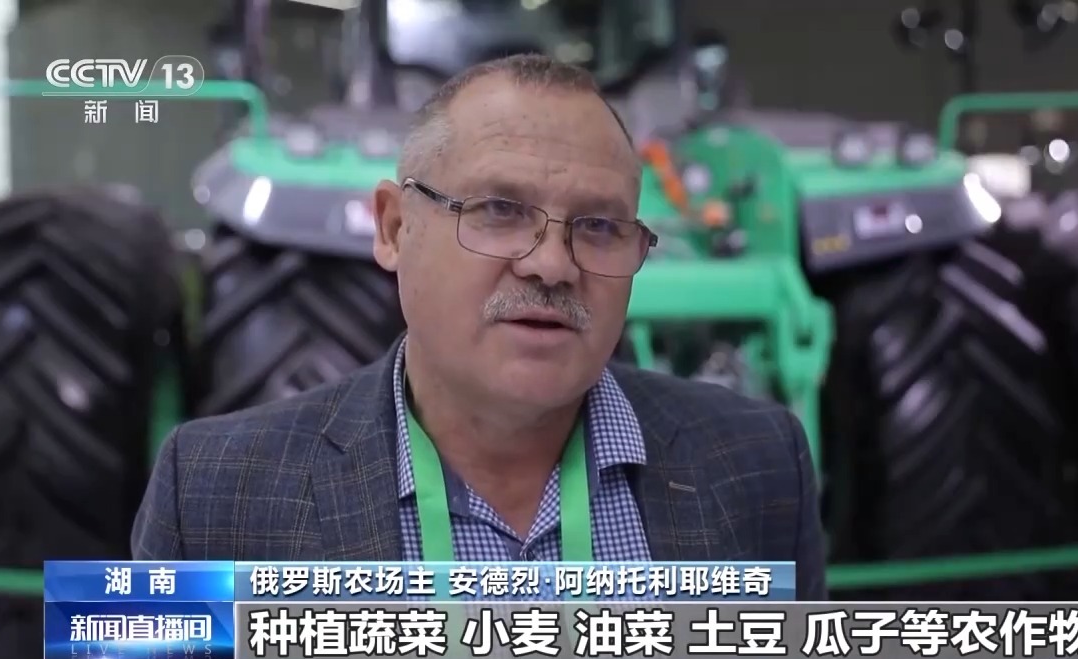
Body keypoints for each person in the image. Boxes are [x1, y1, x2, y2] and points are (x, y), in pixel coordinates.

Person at [132, 54, 826, 600]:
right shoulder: (216, 492)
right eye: (499, 210)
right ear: (394, 228)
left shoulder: (759, 464)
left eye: (598, 225)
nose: (552, 264)